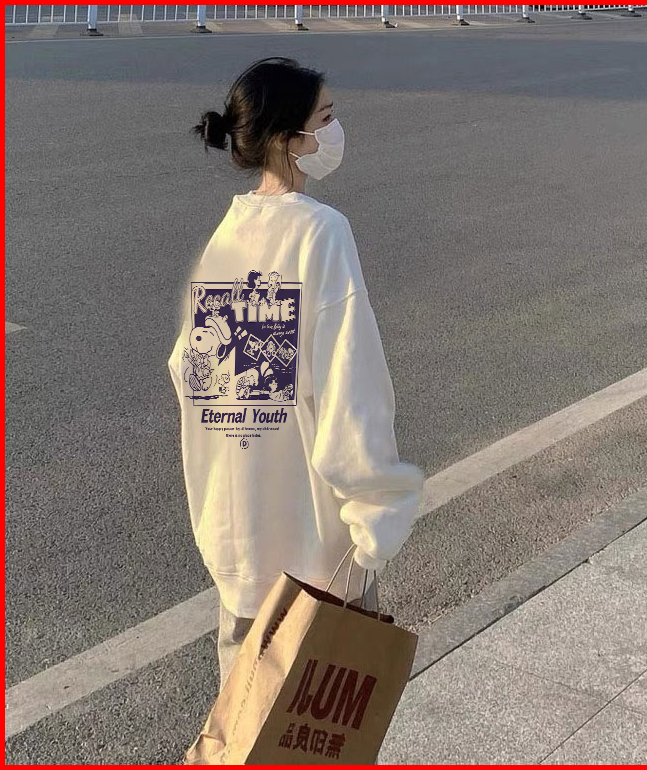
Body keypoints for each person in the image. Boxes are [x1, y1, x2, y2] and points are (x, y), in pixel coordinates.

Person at [167, 57, 425, 695]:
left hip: (240, 553)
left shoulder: (231, 235)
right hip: (316, 563)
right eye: (326, 118)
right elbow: (349, 391)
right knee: (320, 732)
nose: (335, 130)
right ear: (289, 139)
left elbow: (201, 387)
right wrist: (374, 526)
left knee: (243, 728)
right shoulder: (321, 233)